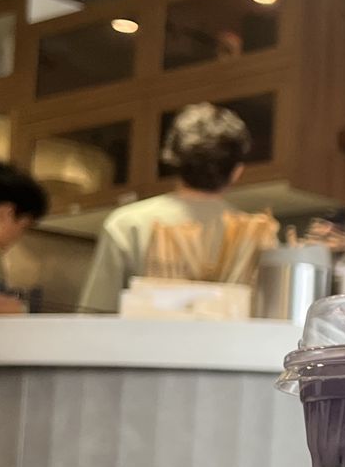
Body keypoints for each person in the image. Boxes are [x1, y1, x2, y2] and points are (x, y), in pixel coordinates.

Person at [76, 103, 251, 312]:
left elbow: (95, 315)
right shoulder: (259, 238)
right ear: (237, 171)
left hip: (138, 344)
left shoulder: (127, 224)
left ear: (172, 158)